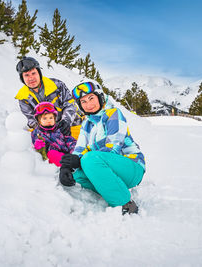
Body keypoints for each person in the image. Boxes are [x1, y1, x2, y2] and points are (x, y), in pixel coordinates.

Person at [59, 81, 146, 215]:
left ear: (100, 97)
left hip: (132, 167)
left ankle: (125, 203)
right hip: (108, 169)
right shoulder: (86, 125)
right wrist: (66, 167)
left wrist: (81, 159)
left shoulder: (113, 114)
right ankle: (111, 190)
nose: (88, 104)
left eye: (91, 98)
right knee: (76, 175)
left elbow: (112, 148)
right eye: (83, 102)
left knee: (89, 159)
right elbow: (79, 149)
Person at [14, 56, 83, 139]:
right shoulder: (23, 97)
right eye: (26, 75)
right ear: (22, 78)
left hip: (72, 125)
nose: (31, 78)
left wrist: (66, 121)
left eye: (33, 73)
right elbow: (31, 119)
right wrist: (46, 131)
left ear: (39, 73)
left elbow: (70, 104)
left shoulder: (56, 85)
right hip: (47, 131)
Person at [31, 102, 77, 167]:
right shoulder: (37, 133)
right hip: (52, 156)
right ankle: (66, 167)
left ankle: (75, 164)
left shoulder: (60, 128)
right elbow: (33, 145)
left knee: (76, 150)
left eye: (51, 118)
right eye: (45, 118)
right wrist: (38, 146)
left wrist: (73, 149)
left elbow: (70, 140)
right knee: (52, 154)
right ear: (39, 120)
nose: (48, 120)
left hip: (66, 154)